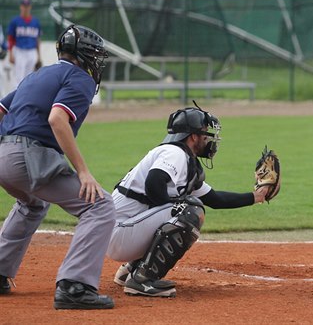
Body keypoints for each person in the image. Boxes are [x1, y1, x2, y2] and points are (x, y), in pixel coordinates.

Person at [106, 104, 276, 297]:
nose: (209, 138)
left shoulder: (185, 160)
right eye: (205, 132)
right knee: (188, 210)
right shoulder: (174, 153)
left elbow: (215, 199)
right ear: (193, 136)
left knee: (185, 206)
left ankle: (130, 270)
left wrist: (257, 196)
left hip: (124, 231)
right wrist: (175, 204)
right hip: (120, 232)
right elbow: (154, 182)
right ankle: (142, 280)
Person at [0, 24, 115, 309]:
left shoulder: (37, 75)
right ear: (84, 54)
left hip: (4, 155)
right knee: (99, 206)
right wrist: (84, 171)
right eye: (95, 55)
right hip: (28, 157)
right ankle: (75, 286)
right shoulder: (80, 78)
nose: (97, 61)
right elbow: (57, 119)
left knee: (33, 204)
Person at [6, 0, 42, 89]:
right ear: (20, 7)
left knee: (29, 77)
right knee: (18, 78)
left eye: (27, 6)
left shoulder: (35, 22)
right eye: (24, 5)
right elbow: (10, 38)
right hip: (19, 51)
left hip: (32, 51)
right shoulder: (15, 21)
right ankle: (16, 100)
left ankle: (26, 98)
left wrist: (39, 56)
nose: (25, 8)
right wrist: (10, 54)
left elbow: (37, 39)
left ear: (30, 7)